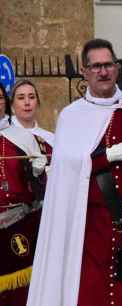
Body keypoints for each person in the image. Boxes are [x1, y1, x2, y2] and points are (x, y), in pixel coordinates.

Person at [26, 35, 122, 306]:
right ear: (84, 71)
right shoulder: (72, 116)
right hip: (90, 229)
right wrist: (107, 155)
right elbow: (66, 170)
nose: (103, 71)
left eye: (108, 65)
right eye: (96, 66)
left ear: (117, 69)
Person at [0, 82, 47, 306]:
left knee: (21, 294)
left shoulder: (23, 137)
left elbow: (40, 188)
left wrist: (37, 171)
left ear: (5, 103)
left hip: (19, 223)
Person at [10, 80, 54, 158]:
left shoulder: (50, 138)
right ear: (12, 106)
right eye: (21, 98)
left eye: (31, 97)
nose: (27, 102)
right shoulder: (4, 135)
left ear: (37, 103)